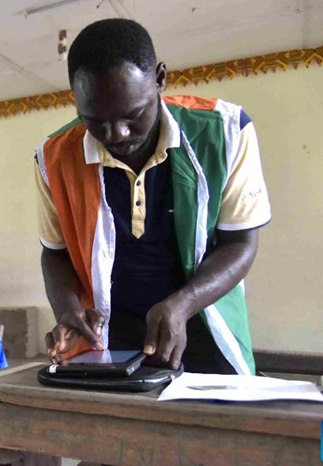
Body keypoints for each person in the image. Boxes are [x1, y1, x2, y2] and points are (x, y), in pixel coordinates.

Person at [38, 18, 271, 378]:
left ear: (160, 78)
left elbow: (240, 243)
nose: (117, 134)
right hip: (109, 342)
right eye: (95, 121)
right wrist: (67, 309)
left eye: (133, 115)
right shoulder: (52, 157)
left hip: (203, 324)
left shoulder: (226, 132)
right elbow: (55, 252)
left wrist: (183, 303)